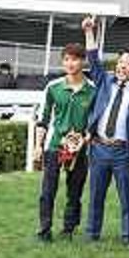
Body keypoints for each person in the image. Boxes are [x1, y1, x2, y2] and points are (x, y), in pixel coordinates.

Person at [82, 16, 129, 244]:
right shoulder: (104, 81)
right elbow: (92, 60)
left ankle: (128, 236)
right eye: (121, 61)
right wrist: (89, 32)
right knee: (96, 196)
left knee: (126, 198)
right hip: (99, 148)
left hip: (123, 152)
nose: (122, 66)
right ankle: (92, 234)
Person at [34, 43, 96, 243]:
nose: (70, 63)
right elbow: (42, 119)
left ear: (83, 61)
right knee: (47, 191)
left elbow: (95, 121)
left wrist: (85, 138)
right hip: (55, 145)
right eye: (67, 59)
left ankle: (68, 229)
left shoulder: (93, 90)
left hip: (80, 149)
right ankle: (44, 231)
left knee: (75, 191)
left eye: (75, 59)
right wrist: (37, 146)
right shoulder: (53, 87)